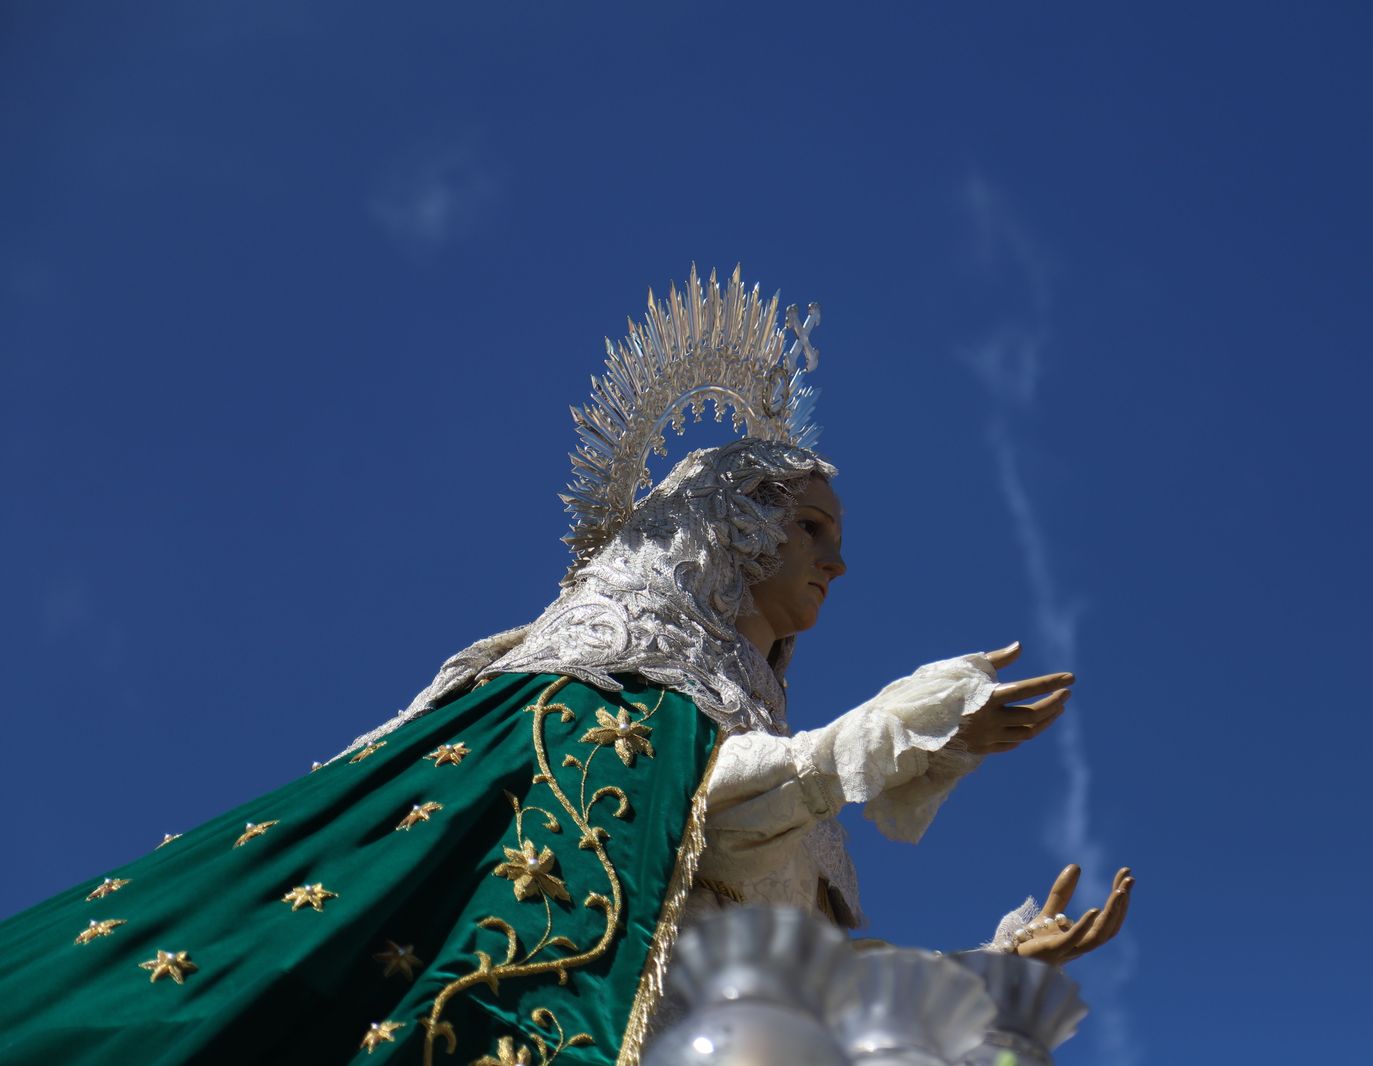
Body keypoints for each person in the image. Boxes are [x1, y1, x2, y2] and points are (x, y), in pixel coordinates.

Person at [0, 268, 1130, 1065]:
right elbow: (689, 816)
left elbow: (782, 991)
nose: (840, 560)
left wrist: (985, 974)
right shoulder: (603, 694)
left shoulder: (753, 748)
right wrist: (884, 735)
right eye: (813, 530)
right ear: (728, 531)